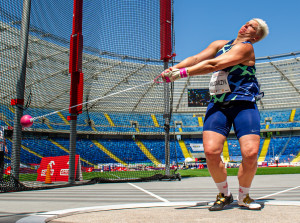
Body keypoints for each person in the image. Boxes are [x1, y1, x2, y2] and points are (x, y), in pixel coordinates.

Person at [162, 18, 269, 211]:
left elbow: (214, 65)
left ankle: (244, 196)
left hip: (243, 105)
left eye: (252, 26)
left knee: (250, 153)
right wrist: (174, 68)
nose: (246, 25)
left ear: (256, 36)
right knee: (211, 152)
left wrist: (183, 74)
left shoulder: (246, 48)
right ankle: (224, 194)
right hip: (218, 105)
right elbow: (197, 59)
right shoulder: (220, 44)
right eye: (246, 22)